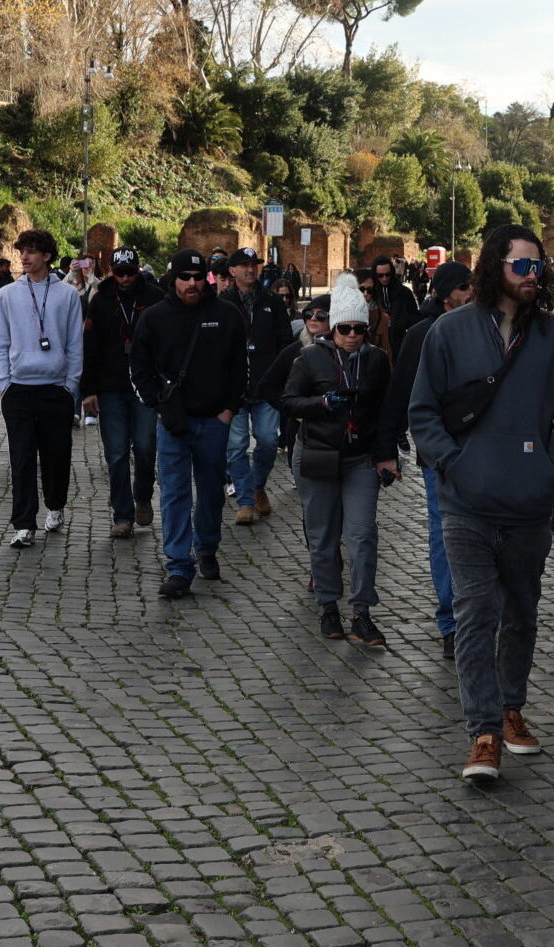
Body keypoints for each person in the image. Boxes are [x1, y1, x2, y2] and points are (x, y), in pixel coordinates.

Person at [409, 226, 554, 784]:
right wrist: (452, 463)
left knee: (522, 613)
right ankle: (483, 731)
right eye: (522, 266)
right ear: (495, 267)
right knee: (474, 613)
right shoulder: (450, 331)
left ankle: (512, 707)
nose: (534, 276)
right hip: (466, 504)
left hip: (529, 505)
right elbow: (423, 412)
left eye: (540, 267)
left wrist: (550, 473)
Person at [279, 274, 398, 649]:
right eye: (344, 328)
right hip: (317, 455)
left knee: (362, 535)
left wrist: (387, 456)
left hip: (359, 456)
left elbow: (385, 412)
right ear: (333, 328)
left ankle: (362, 611)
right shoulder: (310, 357)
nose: (351, 335)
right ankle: (328, 604)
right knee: (323, 535)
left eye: (358, 329)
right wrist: (321, 404)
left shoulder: (377, 361)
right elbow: (287, 401)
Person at [130, 249, 246, 598]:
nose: (192, 283)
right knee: (175, 493)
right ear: (174, 279)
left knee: (210, 492)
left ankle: (207, 546)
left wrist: (229, 410)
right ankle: (179, 565)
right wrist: (158, 406)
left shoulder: (226, 315)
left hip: (214, 420)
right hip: (174, 422)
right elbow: (139, 368)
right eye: (185, 277)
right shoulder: (153, 318)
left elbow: (240, 367)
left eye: (198, 277)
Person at [386, 261, 473, 661]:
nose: (470, 292)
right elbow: (400, 395)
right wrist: (386, 449)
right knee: (444, 534)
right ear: (444, 295)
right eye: (463, 287)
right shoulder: (420, 335)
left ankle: (478, 616)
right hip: (437, 455)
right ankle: (451, 623)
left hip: (482, 452)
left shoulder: (486, 329)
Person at [0, 229, 85, 547]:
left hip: (55, 389)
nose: (25, 257)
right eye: (22, 251)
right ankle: (24, 524)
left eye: (31, 251)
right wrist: (3, 383)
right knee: (22, 458)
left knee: (57, 456)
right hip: (19, 389)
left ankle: (55, 506)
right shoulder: (8, 294)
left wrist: (70, 386)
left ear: (46, 255)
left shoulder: (67, 295)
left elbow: (74, 343)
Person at [79, 248, 163, 537]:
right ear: (112, 271)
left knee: (145, 448)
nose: (125, 278)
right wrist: (87, 391)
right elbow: (88, 347)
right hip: (110, 387)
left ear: (138, 269)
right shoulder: (100, 300)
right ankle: (122, 515)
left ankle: (142, 494)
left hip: (145, 388)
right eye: (120, 272)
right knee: (116, 455)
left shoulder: (154, 297)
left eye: (130, 272)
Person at [223, 247, 291, 527]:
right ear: (232, 271)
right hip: (235, 387)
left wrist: (281, 376)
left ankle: (257, 484)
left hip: (266, 386)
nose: (251, 269)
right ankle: (245, 502)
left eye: (254, 264)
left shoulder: (272, 302)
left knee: (267, 440)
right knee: (236, 446)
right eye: (245, 265)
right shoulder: (223, 303)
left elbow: (286, 342)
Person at [369, 254, 419, 348]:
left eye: (387, 275)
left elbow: (415, 316)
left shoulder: (404, 292)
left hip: (398, 341)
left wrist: (401, 321)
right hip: (376, 342)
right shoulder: (371, 292)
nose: (384, 278)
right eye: (380, 275)